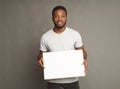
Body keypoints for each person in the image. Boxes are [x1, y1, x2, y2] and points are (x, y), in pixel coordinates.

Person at [38, 5, 88, 89]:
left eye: (62, 16)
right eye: (56, 16)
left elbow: (83, 53)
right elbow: (40, 55)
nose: (59, 19)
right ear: (52, 18)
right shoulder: (45, 37)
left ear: (66, 17)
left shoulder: (75, 34)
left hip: (72, 80)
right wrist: (40, 59)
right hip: (53, 81)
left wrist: (84, 58)